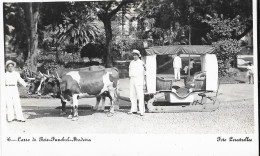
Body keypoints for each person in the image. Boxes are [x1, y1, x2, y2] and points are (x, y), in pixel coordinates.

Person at [128, 50, 146, 116]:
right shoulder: (131, 62)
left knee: (140, 95)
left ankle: (142, 111)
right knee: (132, 95)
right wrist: (130, 79)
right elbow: (129, 71)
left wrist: (144, 82)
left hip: (139, 80)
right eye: (133, 55)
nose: (134, 56)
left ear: (138, 55)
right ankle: (133, 109)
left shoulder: (141, 62)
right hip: (132, 79)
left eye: (135, 55)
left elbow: (144, 73)